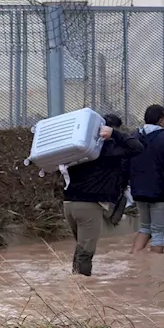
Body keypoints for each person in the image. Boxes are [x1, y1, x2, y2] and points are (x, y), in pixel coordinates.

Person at [63, 113, 143, 277]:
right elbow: (137, 147)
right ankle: (82, 290)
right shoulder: (107, 149)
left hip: (69, 204)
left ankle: (74, 283)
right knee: (86, 251)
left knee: (81, 247)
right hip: (89, 206)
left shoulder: (76, 148)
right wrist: (115, 134)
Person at [128, 105, 164, 254]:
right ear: (160, 120)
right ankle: (155, 269)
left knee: (145, 227)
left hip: (139, 191)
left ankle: (134, 259)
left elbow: (126, 162)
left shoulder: (134, 136)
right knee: (158, 231)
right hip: (161, 192)